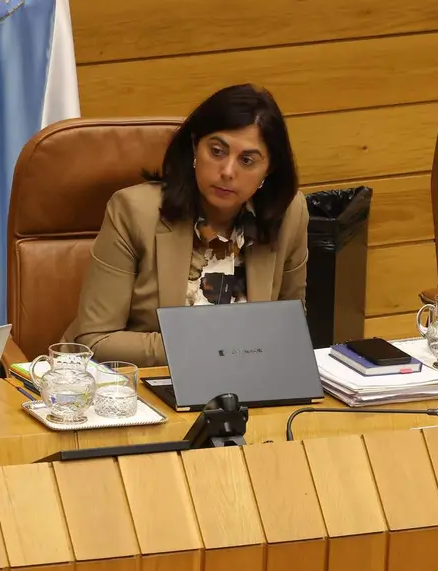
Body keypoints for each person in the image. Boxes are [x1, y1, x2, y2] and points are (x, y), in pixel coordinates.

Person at [62, 84, 309, 367]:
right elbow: (96, 340)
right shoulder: (134, 211)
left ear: (270, 169)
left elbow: (290, 328)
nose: (228, 171)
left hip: (244, 383)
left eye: (247, 160)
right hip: (144, 385)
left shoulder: (289, 213)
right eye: (217, 151)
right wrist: (214, 346)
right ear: (195, 147)